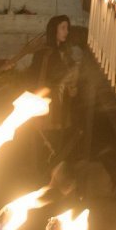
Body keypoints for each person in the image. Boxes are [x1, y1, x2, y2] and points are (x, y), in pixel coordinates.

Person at [27, 14, 80, 162]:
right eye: (63, 28)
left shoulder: (65, 52)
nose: (66, 32)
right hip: (48, 100)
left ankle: (56, 164)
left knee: (59, 134)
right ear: (54, 30)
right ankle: (44, 165)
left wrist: (72, 85)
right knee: (46, 135)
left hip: (62, 100)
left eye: (67, 28)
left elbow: (71, 72)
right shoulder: (44, 53)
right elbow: (37, 76)